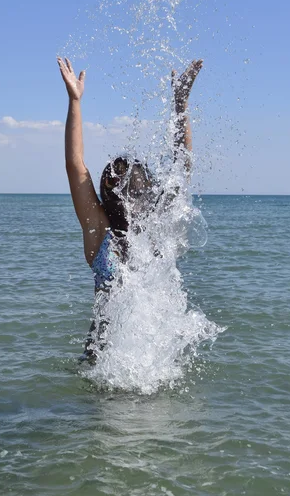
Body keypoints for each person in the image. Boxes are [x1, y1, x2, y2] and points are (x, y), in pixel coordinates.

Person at [57, 56, 203, 362]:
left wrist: (180, 106)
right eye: (120, 193)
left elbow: (183, 164)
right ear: (108, 199)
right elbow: (75, 166)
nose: (129, 201)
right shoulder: (100, 235)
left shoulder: (159, 228)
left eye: (135, 192)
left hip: (153, 364)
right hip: (101, 362)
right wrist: (75, 101)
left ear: (150, 193)